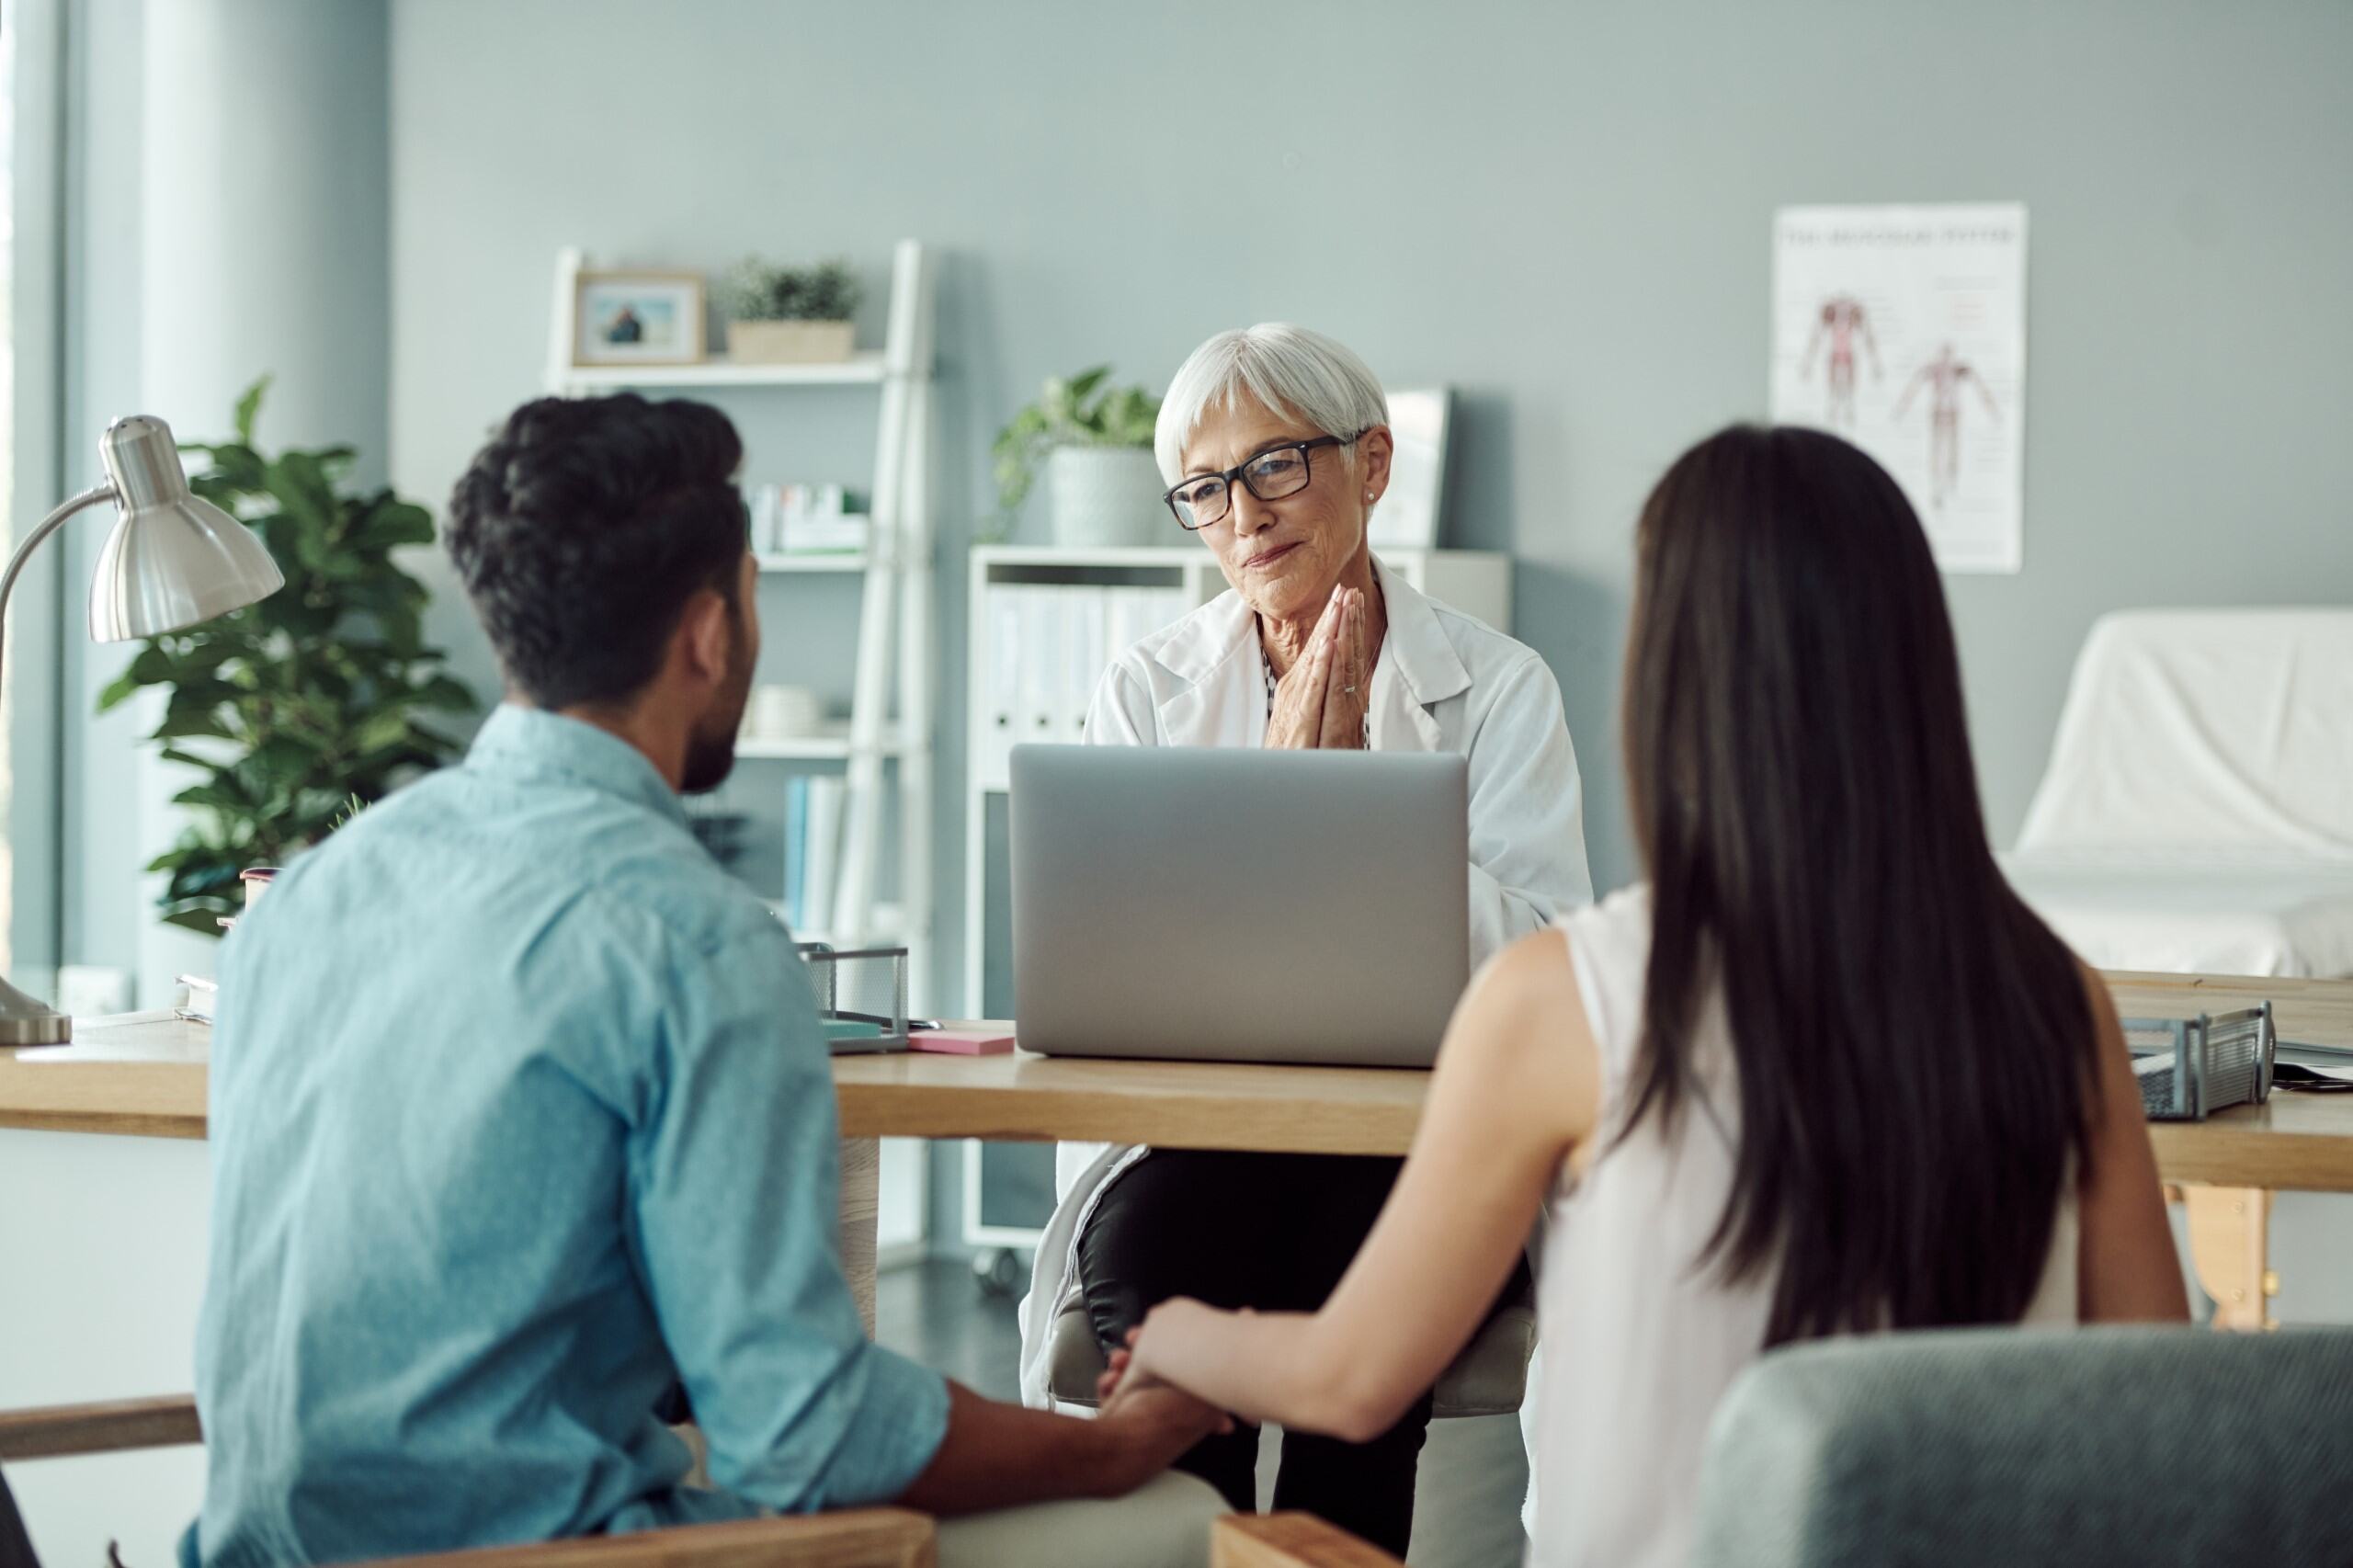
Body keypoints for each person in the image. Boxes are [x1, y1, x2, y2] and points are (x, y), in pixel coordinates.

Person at [1108, 426, 2189, 1567]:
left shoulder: (1565, 998)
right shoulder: (2056, 1004)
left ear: (1670, 677)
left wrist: (1177, 1334)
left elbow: (1349, 1375)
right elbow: (2160, 1420)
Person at [184, 394, 1230, 1568]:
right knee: (1180, 1517)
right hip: (535, 1558)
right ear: (708, 633)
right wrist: (1112, 1441)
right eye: (754, 594)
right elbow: (808, 1435)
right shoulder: (695, 941)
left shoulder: (307, 896)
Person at [1017, 324, 1595, 1554]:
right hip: (1196, 1145)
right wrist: (1278, 819)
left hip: (1421, 1150)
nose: (1244, 514)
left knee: (1362, 1363)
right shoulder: (1147, 689)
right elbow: (1115, 966)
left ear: (1371, 463)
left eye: (1275, 465)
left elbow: (1546, 965)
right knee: (1162, 1318)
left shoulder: (1501, 688)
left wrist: (1357, 816)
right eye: (1205, 488)